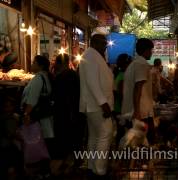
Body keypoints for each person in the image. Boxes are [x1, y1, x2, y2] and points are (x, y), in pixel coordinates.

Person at [79, 34, 114, 177]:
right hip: (97, 105)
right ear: (94, 43)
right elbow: (93, 82)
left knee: (95, 136)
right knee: (105, 134)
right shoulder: (91, 55)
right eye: (103, 43)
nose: (105, 46)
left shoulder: (92, 55)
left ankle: (92, 167)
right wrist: (103, 104)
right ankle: (99, 170)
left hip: (93, 105)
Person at [21, 55, 53, 179]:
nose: (32, 64)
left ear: (40, 65)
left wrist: (26, 113)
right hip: (44, 117)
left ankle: (42, 172)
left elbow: (32, 99)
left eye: (34, 62)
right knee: (43, 144)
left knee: (38, 144)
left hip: (37, 118)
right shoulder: (45, 76)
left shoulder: (38, 78)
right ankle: (44, 171)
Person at [122, 38, 155, 145]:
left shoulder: (134, 64)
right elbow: (138, 88)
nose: (151, 53)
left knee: (134, 145)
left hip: (134, 111)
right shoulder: (141, 64)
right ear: (146, 50)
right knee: (142, 145)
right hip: (141, 113)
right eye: (150, 50)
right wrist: (137, 112)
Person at [51, 54, 80, 175]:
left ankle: (66, 164)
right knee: (72, 138)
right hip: (73, 111)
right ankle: (72, 163)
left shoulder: (60, 77)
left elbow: (57, 96)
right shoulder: (74, 74)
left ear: (58, 63)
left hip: (64, 112)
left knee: (64, 138)